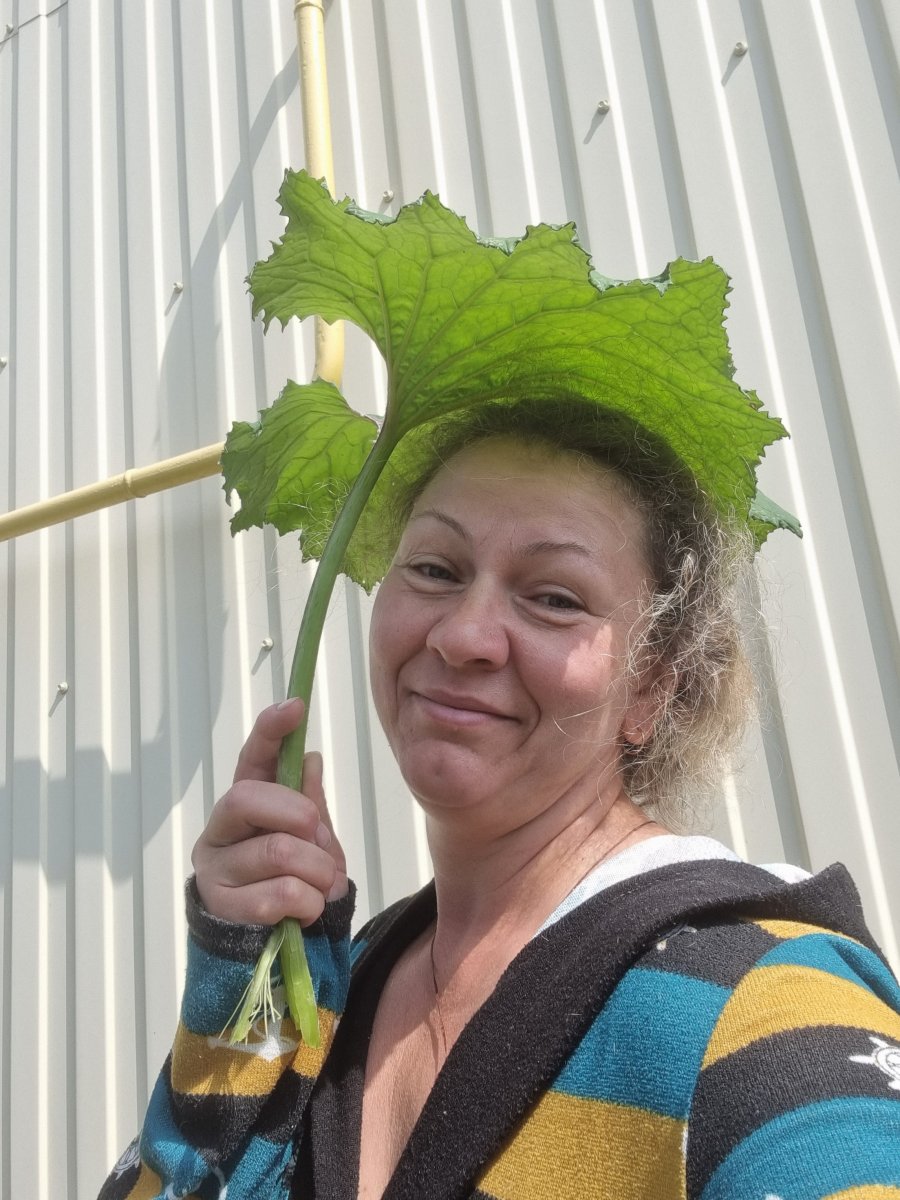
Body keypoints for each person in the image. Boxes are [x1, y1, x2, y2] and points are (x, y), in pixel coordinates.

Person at [101, 401, 900, 1200]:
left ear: (651, 688)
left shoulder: (766, 995)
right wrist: (245, 982)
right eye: (435, 570)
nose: (462, 636)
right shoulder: (346, 976)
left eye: (555, 598)